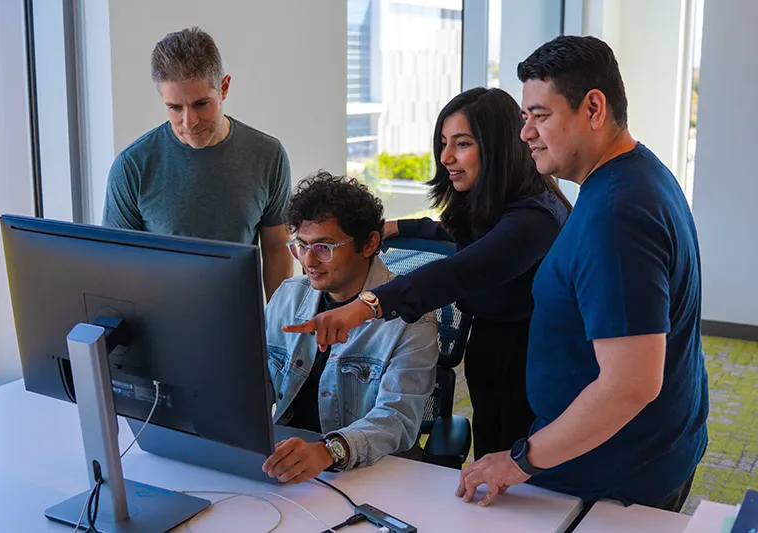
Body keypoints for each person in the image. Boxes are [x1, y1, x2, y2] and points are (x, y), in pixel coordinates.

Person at [455, 36, 709, 515]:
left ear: (594, 107)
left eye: (540, 116)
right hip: (640, 452)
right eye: (524, 118)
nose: (525, 133)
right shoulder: (635, 174)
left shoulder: (617, 214)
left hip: (614, 478)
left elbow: (630, 384)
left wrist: (518, 462)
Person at [282, 87, 571, 460]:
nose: (446, 156)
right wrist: (397, 227)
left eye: (462, 143)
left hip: (533, 366)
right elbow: (453, 233)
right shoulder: (493, 205)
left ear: (498, 148)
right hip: (494, 355)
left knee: (523, 486)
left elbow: (458, 272)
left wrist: (362, 307)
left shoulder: (534, 219)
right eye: (443, 143)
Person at [261, 172, 438, 484]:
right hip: (289, 463)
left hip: (371, 472)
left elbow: (396, 419)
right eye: (301, 245)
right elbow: (253, 378)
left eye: (324, 247)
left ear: (369, 243)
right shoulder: (289, 296)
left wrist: (329, 451)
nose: (309, 261)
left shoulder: (412, 319)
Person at [102, 27, 293, 299]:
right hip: (160, 324)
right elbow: (116, 265)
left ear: (224, 88)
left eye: (201, 104)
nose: (189, 122)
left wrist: (276, 331)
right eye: (175, 108)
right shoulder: (132, 166)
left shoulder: (268, 155)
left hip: (238, 323)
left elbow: (276, 247)